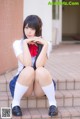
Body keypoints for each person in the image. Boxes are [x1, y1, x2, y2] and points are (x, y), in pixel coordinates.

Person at [9, 15, 58, 117]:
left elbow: (40, 65)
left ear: (38, 30)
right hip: (23, 81)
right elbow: (27, 64)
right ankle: (15, 104)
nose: (29, 32)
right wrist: (25, 43)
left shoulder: (46, 44)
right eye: (26, 28)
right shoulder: (18, 44)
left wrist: (44, 45)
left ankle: (53, 104)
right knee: (29, 69)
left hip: (39, 85)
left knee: (40, 70)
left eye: (32, 28)